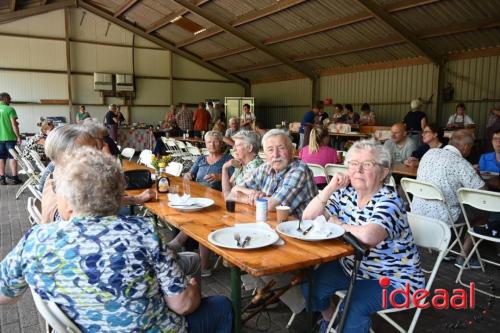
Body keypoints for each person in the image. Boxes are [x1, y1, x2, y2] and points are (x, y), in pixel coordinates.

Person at [0, 147, 233, 333]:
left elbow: (4, 294)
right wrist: (192, 289)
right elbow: (182, 305)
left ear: (68, 199)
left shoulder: (37, 240)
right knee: (222, 306)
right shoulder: (143, 233)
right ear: (118, 194)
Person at [301, 139, 424, 333]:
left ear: (383, 172)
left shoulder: (389, 200)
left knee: (352, 307)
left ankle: (342, 325)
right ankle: (330, 320)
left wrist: (338, 223)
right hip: (353, 268)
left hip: (395, 280)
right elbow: (308, 217)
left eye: (367, 164)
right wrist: (330, 187)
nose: (358, 170)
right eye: (353, 164)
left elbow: (369, 236)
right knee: (310, 284)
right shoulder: (345, 194)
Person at [411, 129, 485, 268]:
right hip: (444, 216)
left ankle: (444, 247)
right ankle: (463, 256)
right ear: (465, 147)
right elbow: (482, 191)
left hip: (417, 212)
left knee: (455, 204)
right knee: (483, 212)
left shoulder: (429, 153)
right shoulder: (460, 163)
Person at [230, 129, 317, 217]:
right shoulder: (265, 168)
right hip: (271, 223)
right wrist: (252, 192)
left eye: (281, 148)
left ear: (292, 151)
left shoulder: (300, 170)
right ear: (265, 154)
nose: (276, 154)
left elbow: (272, 205)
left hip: (299, 228)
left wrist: (246, 198)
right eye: (270, 150)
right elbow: (234, 192)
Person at [221, 130, 263, 198]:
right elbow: (226, 192)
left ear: (249, 148)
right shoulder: (242, 164)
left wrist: (234, 190)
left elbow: (231, 195)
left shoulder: (256, 166)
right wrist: (224, 167)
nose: (234, 149)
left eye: (238, 145)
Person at [0, 92, 22, 185]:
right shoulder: (10, 109)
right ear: (6, 99)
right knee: (13, 157)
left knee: (1, 157)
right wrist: (18, 136)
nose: (10, 100)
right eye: (9, 99)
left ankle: (2, 178)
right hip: (10, 138)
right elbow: (14, 124)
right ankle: (14, 178)